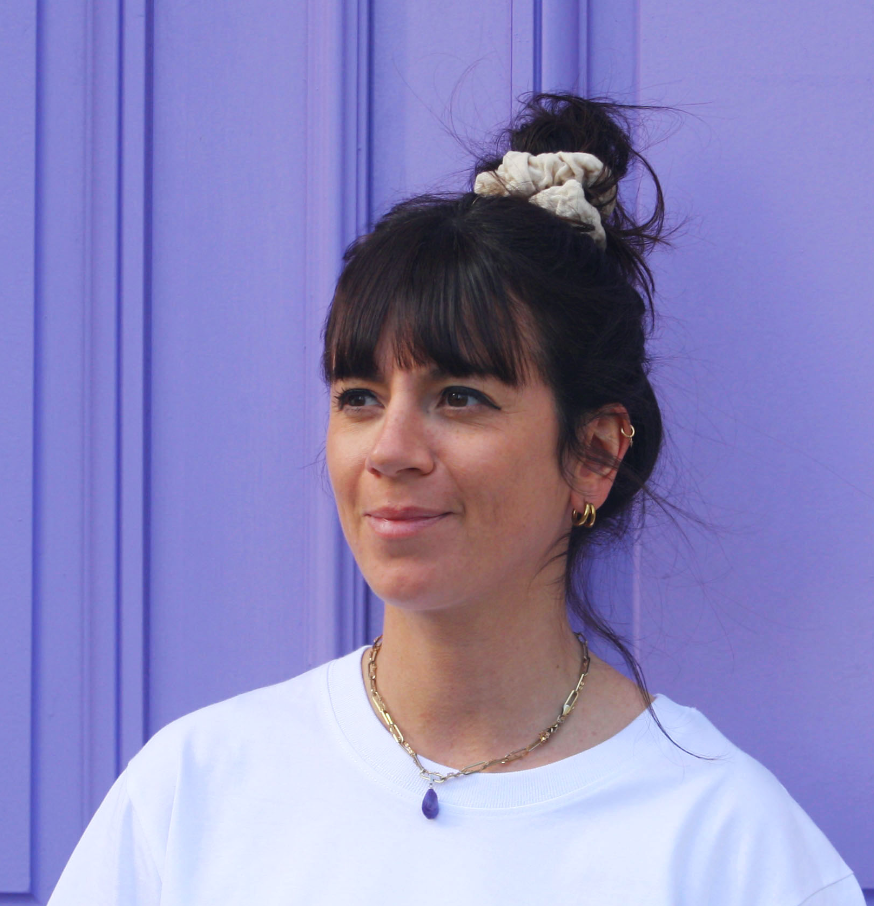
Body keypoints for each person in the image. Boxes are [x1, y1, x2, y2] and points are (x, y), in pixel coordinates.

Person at [48, 93, 864, 905]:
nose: (390, 450)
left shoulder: (728, 843)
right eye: (360, 397)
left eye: (461, 397)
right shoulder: (194, 796)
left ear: (595, 452)